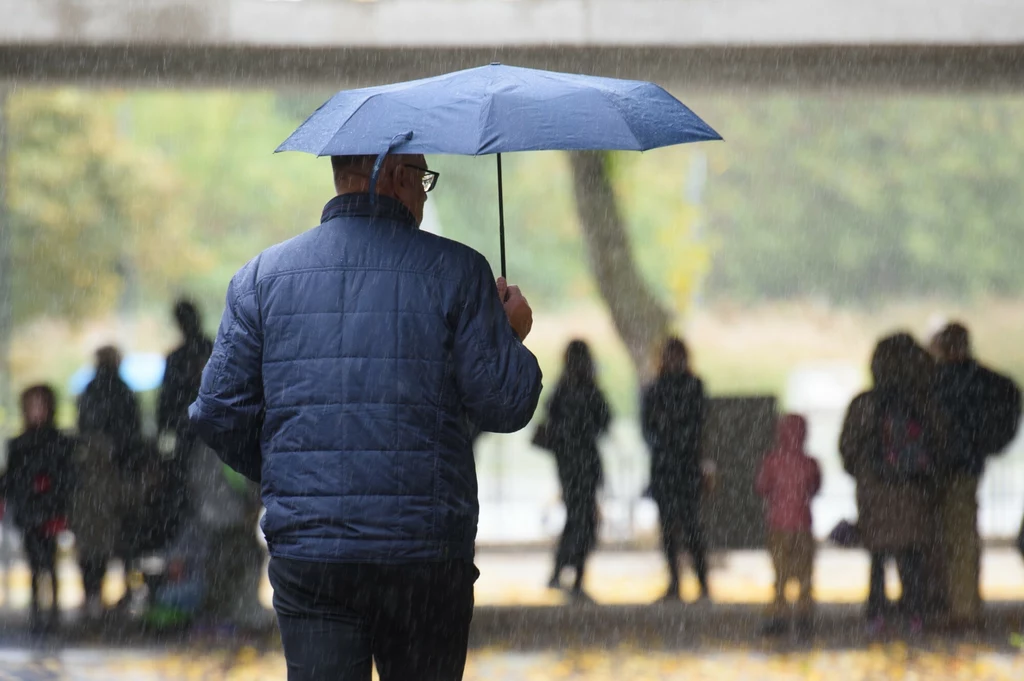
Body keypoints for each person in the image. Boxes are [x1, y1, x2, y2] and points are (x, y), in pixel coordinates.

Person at [189, 152, 542, 681]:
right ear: (395, 176)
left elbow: (217, 412)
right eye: (423, 179)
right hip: (424, 554)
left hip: (313, 551)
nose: (425, 192)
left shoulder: (262, 278)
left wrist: (293, 471)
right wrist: (509, 333)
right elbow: (506, 404)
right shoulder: (457, 271)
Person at [840, 333, 945, 635]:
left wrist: (865, 472)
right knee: (911, 559)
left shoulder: (865, 404)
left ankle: (876, 614)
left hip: (875, 493)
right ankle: (915, 614)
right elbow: (940, 444)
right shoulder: (923, 404)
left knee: (877, 558)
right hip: (913, 493)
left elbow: (848, 449)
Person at [931, 322, 1021, 631]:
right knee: (962, 536)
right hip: (967, 464)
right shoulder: (983, 381)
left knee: (954, 538)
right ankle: (964, 603)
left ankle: (961, 609)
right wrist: (985, 443)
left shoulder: (939, 382)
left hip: (944, 468)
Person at [1, 385, 75, 633]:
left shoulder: (58, 441)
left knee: (49, 561)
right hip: (28, 509)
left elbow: (66, 475)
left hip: (49, 508)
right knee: (34, 562)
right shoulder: (19, 444)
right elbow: (11, 477)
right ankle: (37, 612)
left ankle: (51, 611)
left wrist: (51, 490)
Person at [641, 336, 709, 603]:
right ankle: (680, 582)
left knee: (689, 527)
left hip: (678, 466)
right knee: (675, 528)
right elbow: (652, 429)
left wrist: (670, 437)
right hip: (672, 467)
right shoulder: (673, 389)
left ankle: (697, 582)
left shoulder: (680, 388)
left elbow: (693, 427)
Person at [543, 340, 611, 600]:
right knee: (582, 520)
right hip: (583, 463)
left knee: (577, 518)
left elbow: (551, 421)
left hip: (570, 463)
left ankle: (564, 571)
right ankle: (573, 575)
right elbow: (605, 421)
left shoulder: (562, 391)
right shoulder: (588, 391)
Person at [755, 413, 821, 638]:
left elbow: (762, 486)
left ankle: (779, 614)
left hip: (777, 524)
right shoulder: (810, 463)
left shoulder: (772, 461)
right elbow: (815, 486)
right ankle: (804, 615)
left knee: (781, 573)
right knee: (804, 573)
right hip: (803, 524)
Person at [157, 299, 213, 450]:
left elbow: (167, 398)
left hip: (187, 427)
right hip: (213, 427)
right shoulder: (217, 350)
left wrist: (164, 426)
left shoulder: (176, 358)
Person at [77, 345, 142, 471]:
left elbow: (84, 423)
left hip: (97, 452)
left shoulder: (90, 389)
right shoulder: (122, 388)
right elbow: (132, 423)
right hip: (123, 453)